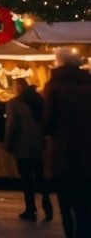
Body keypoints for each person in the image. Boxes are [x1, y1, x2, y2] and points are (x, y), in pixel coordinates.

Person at [43, 48, 91, 238]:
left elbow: (48, 123)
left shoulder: (55, 87)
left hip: (63, 153)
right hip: (88, 154)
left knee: (66, 200)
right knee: (85, 202)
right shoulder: (88, 85)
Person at [4, 77, 53, 222]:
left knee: (26, 177)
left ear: (18, 88)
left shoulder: (14, 104)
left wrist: (8, 144)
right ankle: (47, 205)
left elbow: (11, 127)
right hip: (39, 143)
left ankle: (30, 208)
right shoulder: (41, 101)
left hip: (22, 144)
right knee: (40, 176)